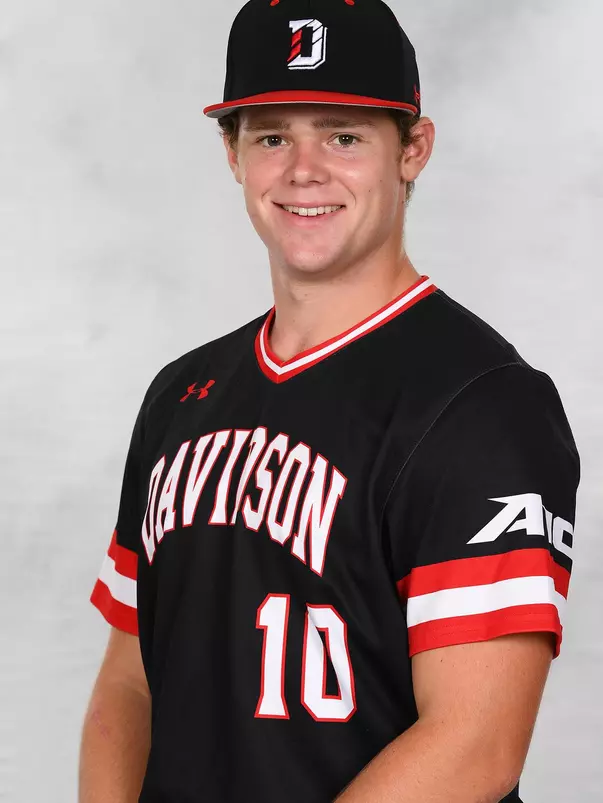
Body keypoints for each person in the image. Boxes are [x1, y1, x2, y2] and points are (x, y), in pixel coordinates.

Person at [79, 1, 580, 801]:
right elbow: (129, 684)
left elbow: (474, 744)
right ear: (232, 154)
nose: (302, 169)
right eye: (272, 135)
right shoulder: (180, 394)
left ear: (412, 148)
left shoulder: (485, 405)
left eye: (343, 135)